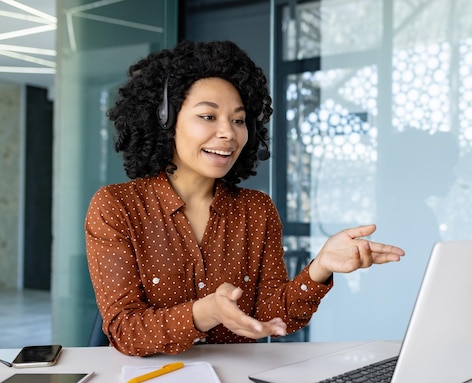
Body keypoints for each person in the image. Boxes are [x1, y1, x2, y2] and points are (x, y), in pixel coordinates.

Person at [85, 40, 405, 357]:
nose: (229, 133)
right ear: (165, 121)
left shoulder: (256, 209)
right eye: (208, 117)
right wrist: (205, 312)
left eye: (238, 120)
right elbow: (125, 330)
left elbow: (271, 317)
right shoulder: (117, 206)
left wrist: (320, 267)